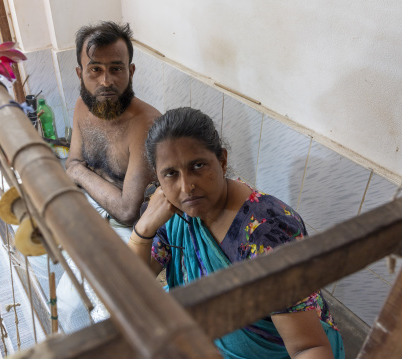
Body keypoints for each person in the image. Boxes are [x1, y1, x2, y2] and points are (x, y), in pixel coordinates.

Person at [128, 107, 345, 359]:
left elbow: (309, 348)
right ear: (158, 177)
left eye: (198, 166)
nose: (187, 187)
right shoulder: (174, 214)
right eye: (171, 174)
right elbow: (129, 290)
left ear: (222, 161)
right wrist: (143, 229)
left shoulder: (268, 233)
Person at [66, 21, 160, 231]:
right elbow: (72, 161)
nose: (106, 81)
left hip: (135, 230)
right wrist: (76, 169)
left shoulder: (146, 124)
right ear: (80, 74)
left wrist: (79, 172)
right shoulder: (82, 106)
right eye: (95, 69)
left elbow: (129, 212)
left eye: (116, 69)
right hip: (90, 204)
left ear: (131, 71)